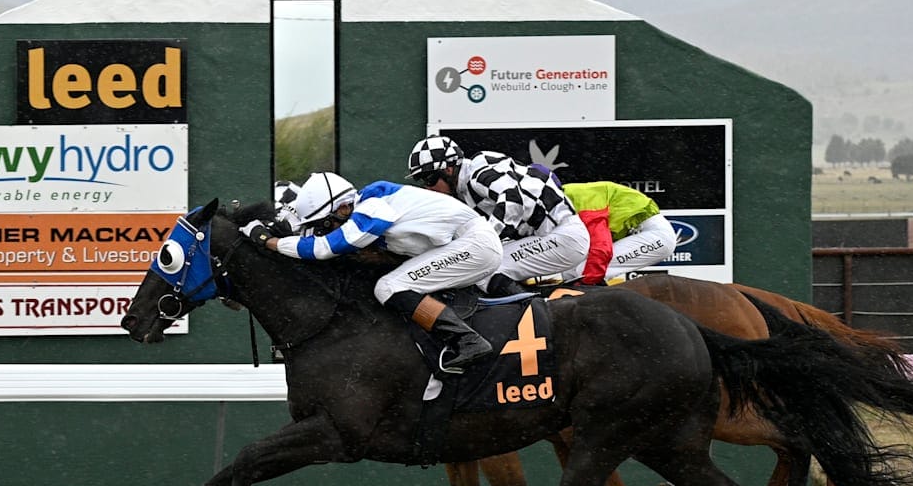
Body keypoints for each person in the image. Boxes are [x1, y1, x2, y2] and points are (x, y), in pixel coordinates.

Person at [245, 171, 502, 371]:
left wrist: (270, 242)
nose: (326, 230)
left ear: (343, 208)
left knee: (389, 287)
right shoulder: (371, 207)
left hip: (474, 245)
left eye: (326, 223)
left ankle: (467, 340)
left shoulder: (372, 205)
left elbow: (324, 248)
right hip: (467, 245)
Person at [406, 136, 590, 295]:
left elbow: (512, 199)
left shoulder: (476, 171)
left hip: (563, 236)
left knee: (483, 268)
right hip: (550, 237)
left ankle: (529, 310)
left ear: (448, 169)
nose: (428, 187)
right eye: (421, 181)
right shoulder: (463, 193)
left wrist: (486, 240)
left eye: (430, 179)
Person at [560, 181, 678, 285]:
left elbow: (601, 249)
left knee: (582, 271)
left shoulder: (580, 198)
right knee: (570, 271)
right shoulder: (565, 197)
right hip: (644, 231)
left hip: (656, 236)